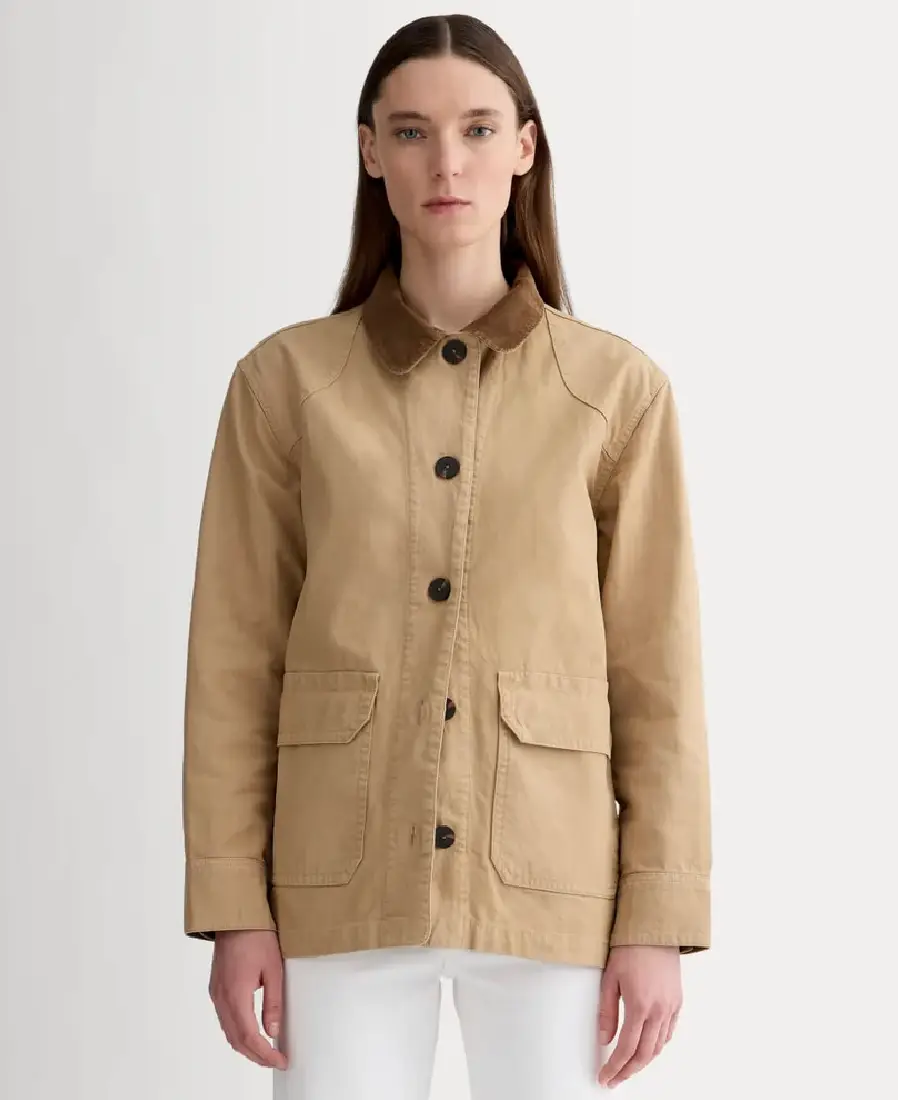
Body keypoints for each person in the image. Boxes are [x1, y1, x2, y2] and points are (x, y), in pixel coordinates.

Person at [181, 12, 712, 1099]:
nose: (447, 164)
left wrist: (657, 914)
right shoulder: (285, 384)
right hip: (339, 879)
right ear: (370, 151)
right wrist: (235, 903)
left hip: (552, 882)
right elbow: (233, 661)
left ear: (525, 147)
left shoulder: (615, 392)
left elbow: (657, 673)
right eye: (412, 132)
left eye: (477, 129)